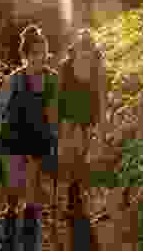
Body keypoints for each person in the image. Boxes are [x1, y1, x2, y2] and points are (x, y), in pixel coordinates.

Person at [0, 24, 59, 250]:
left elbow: (54, 111)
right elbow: (0, 108)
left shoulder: (52, 79)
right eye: (36, 54)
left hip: (36, 137)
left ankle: (30, 240)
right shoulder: (15, 79)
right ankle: (10, 224)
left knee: (32, 189)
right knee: (13, 185)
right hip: (12, 136)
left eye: (43, 53)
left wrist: (54, 136)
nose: (41, 58)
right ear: (26, 55)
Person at [57, 28, 109, 184]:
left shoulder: (98, 69)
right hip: (68, 115)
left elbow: (102, 100)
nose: (85, 48)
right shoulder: (65, 67)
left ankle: (80, 185)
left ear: (93, 48)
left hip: (88, 116)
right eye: (82, 44)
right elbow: (58, 97)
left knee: (83, 153)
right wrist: (58, 127)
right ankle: (72, 187)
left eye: (89, 44)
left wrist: (101, 133)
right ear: (76, 47)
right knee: (69, 154)